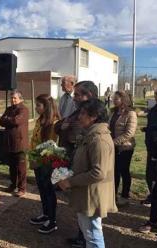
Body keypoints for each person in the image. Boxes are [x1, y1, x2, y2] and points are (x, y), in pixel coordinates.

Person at [58, 99, 118, 248]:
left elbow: (98, 173)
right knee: (89, 234)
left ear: (94, 116)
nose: (79, 117)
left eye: (83, 113)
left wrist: (70, 182)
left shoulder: (99, 139)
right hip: (87, 192)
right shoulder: (91, 135)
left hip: (92, 195)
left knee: (93, 236)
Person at [55, 80, 99, 248]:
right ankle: (83, 236)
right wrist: (63, 126)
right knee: (80, 206)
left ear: (90, 96)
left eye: (79, 94)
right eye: (74, 94)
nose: (74, 97)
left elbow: (77, 133)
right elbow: (59, 125)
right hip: (73, 157)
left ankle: (87, 239)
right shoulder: (77, 112)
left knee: (88, 211)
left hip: (84, 164)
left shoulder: (94, 115)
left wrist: (68, 129)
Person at [29, 94, 60, 234]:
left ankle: (52, 221)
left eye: (38, 106)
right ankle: (45, 214)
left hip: (47, 163)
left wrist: (38, 160)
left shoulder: (54, 123)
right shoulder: (40, 120)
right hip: (37, 160)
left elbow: (50, 146)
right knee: (42, 189)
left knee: (49, 191)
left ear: (46, 107)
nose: (36, 108)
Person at [109, 90, 137, 206]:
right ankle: (113, 196)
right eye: (113, 99)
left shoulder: (131, 114)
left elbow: (129, 133)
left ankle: (125, 196)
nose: (114, 101)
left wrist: (114, 142)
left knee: (123, 171)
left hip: (125, 148)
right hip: (113, 147)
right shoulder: (113, 112)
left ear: (123, 100)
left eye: (116, 99)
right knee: (114, 172)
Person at [0, 90, 29, 197]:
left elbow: (16, 121)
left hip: (20, 143)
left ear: (20, 99)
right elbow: (1, 121)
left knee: (21, 167)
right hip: (9, 142)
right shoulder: (8, 109)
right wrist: (8, 119)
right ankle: (13, 185)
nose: (13, 100)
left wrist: (8, 119)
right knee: (11, 166)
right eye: (12, 98)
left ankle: (22, 188)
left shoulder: (24, 109)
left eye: (15, 98)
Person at [138, 88, 157, 234]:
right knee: (150, 176)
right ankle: (151, 196)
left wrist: (151, 128)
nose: (156, 96)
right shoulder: (154, 109)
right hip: (152, 148)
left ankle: (153, 222)